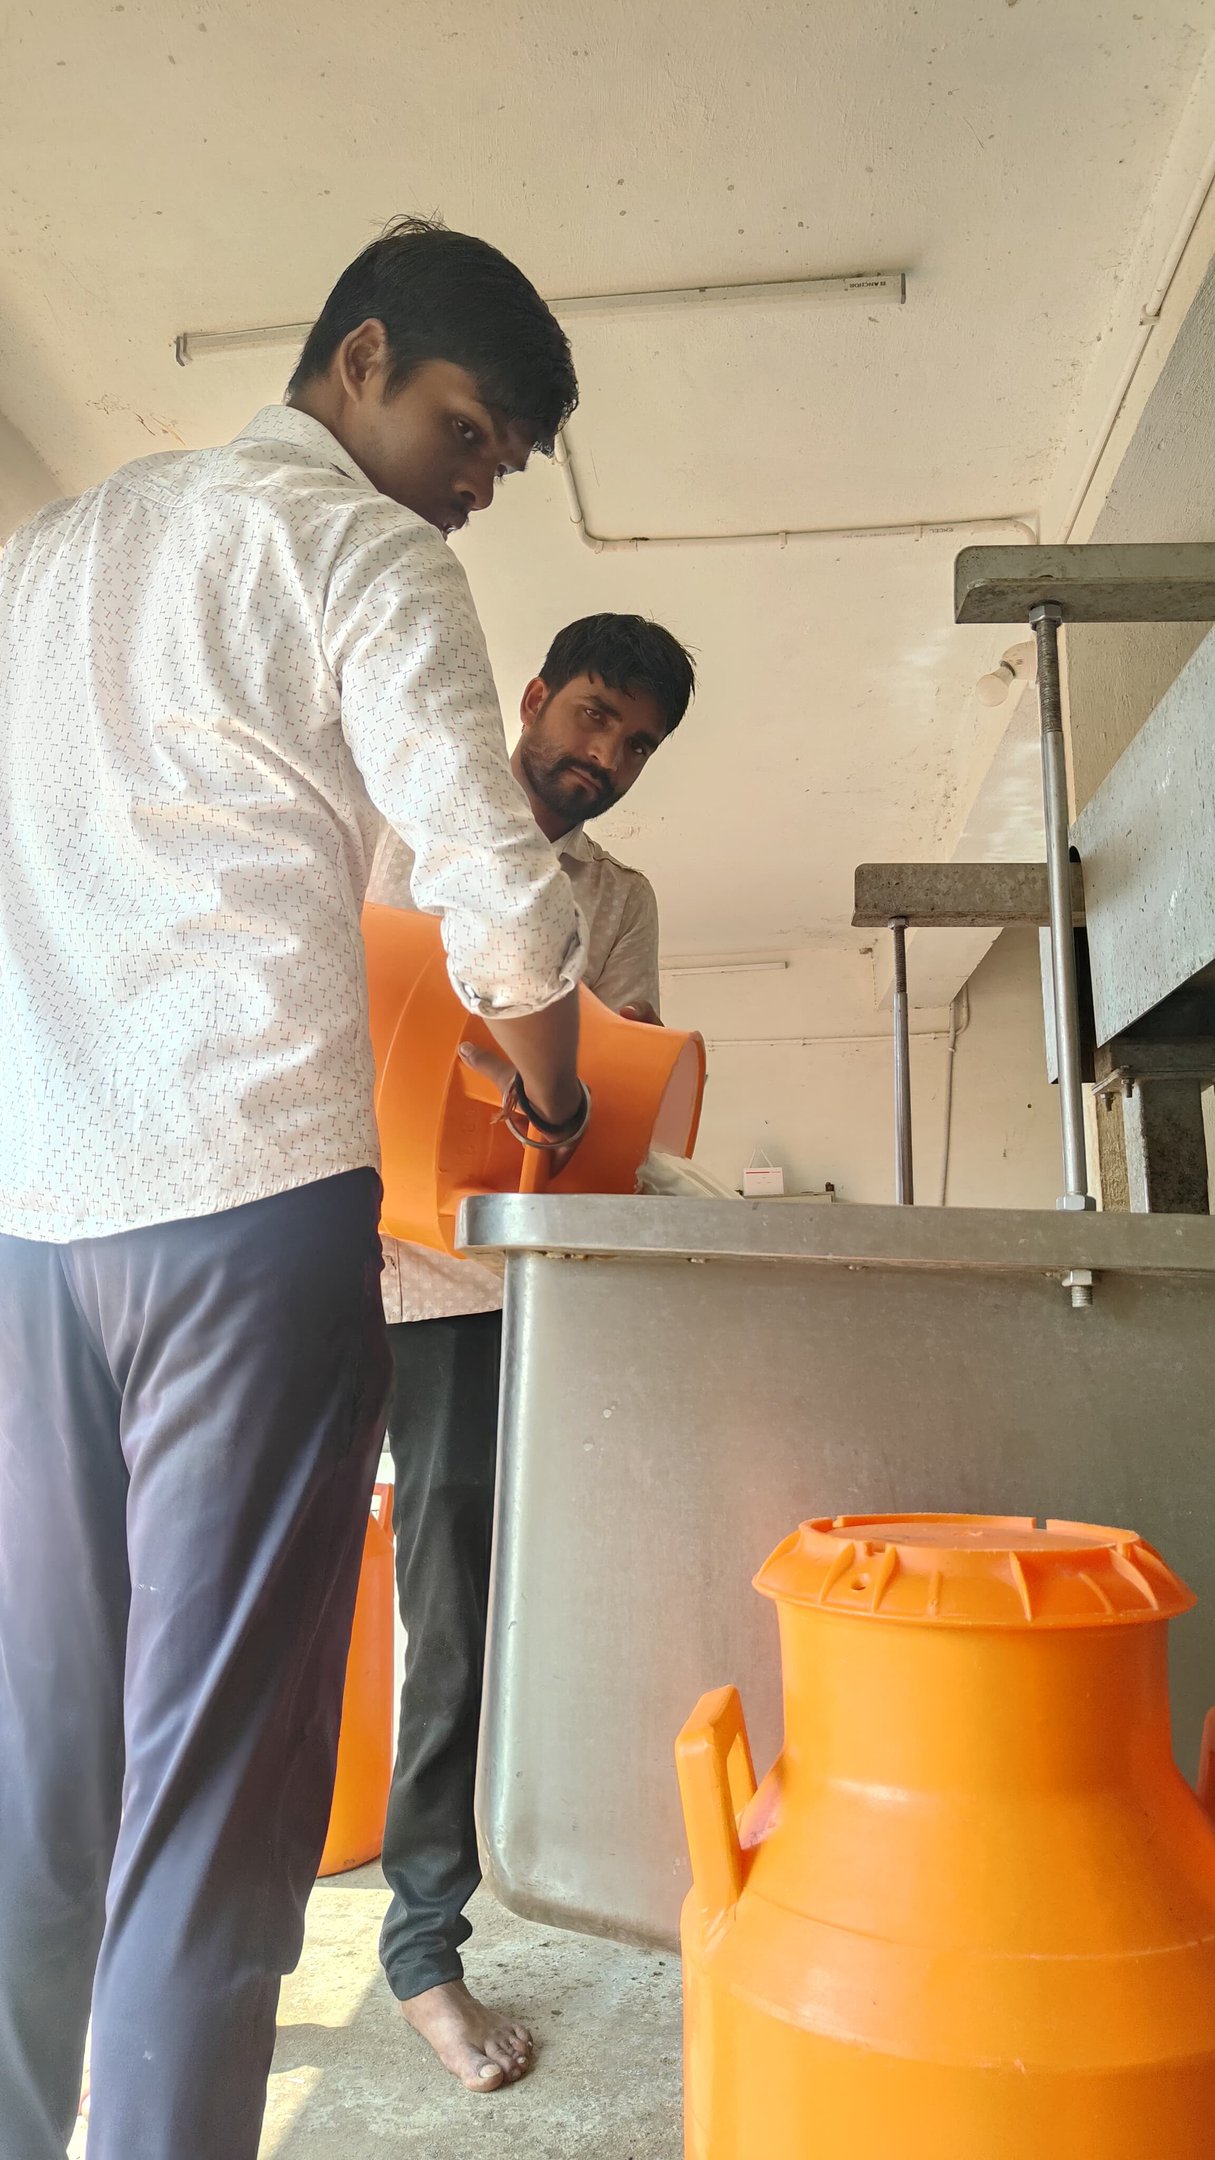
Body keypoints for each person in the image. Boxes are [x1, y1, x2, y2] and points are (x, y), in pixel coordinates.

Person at [0, 215, 595, 2160]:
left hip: (34, 1219)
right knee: (213, 1806)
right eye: (466, 427)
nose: (477, 480)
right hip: (247, 1208)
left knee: (40, 1766)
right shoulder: (358, 549)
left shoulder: (52, 556)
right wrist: (553, 1088)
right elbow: (500, 897)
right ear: (357, 361)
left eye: (504, 459)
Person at [370, 612, 695, 2091]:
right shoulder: (407, 823)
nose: (604, 757)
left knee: (461, 1618)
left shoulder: (613, 898)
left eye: (635, 745)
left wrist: (554, 1074)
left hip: (480, 1295)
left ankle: (420, 1952)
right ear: (534, 698)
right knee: (231, 1585)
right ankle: (186, 1919)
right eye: (591, 717)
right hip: (321, 1252)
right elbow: (360, 1011)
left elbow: (615, 1082)